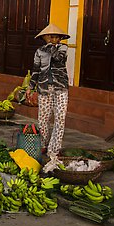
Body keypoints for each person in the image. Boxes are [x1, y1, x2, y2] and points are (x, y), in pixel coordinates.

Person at [26, 24, 70, 159]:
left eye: (56, 37)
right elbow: (36, 71)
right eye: (50, 36)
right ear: (44, 37)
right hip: (44, 88)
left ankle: (55, 148)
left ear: (60, 38)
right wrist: (30, 87)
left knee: (60, 118)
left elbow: (59, 58)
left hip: (60, 88)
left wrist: (51, 46)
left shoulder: (63, 48)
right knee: (43, 118)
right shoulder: (39, 51)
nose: (53, 39)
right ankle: (44, 144)